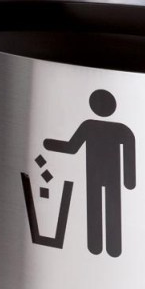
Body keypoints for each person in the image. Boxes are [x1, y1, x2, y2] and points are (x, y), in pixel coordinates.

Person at [44, 90, 136, 258]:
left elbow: (71, 147)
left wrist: (50, 144)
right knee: (108, 209)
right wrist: (129, 181)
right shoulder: (118, 128)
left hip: (96, 175)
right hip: (106, 176)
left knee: (98, 208)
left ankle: (97, 246)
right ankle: (111, 248)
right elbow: (129, 154)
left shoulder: (90, 126)